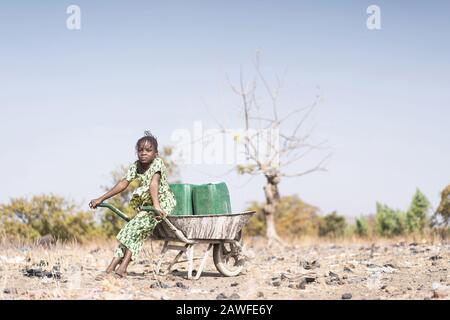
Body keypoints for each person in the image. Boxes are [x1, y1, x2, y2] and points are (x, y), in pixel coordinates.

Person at [89, 131, 176, 278]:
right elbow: (123, 183)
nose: (143, 153)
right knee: (130, 231)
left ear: (156, 153)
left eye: (148, 150)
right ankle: (111, 268)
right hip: (148, 206)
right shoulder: (136, 166)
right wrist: (101, 199)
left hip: (161, 205)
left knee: (134, 232)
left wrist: (156, 206)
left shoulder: (158, 163)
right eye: (140, 150)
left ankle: (122, 268)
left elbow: (153, 184)